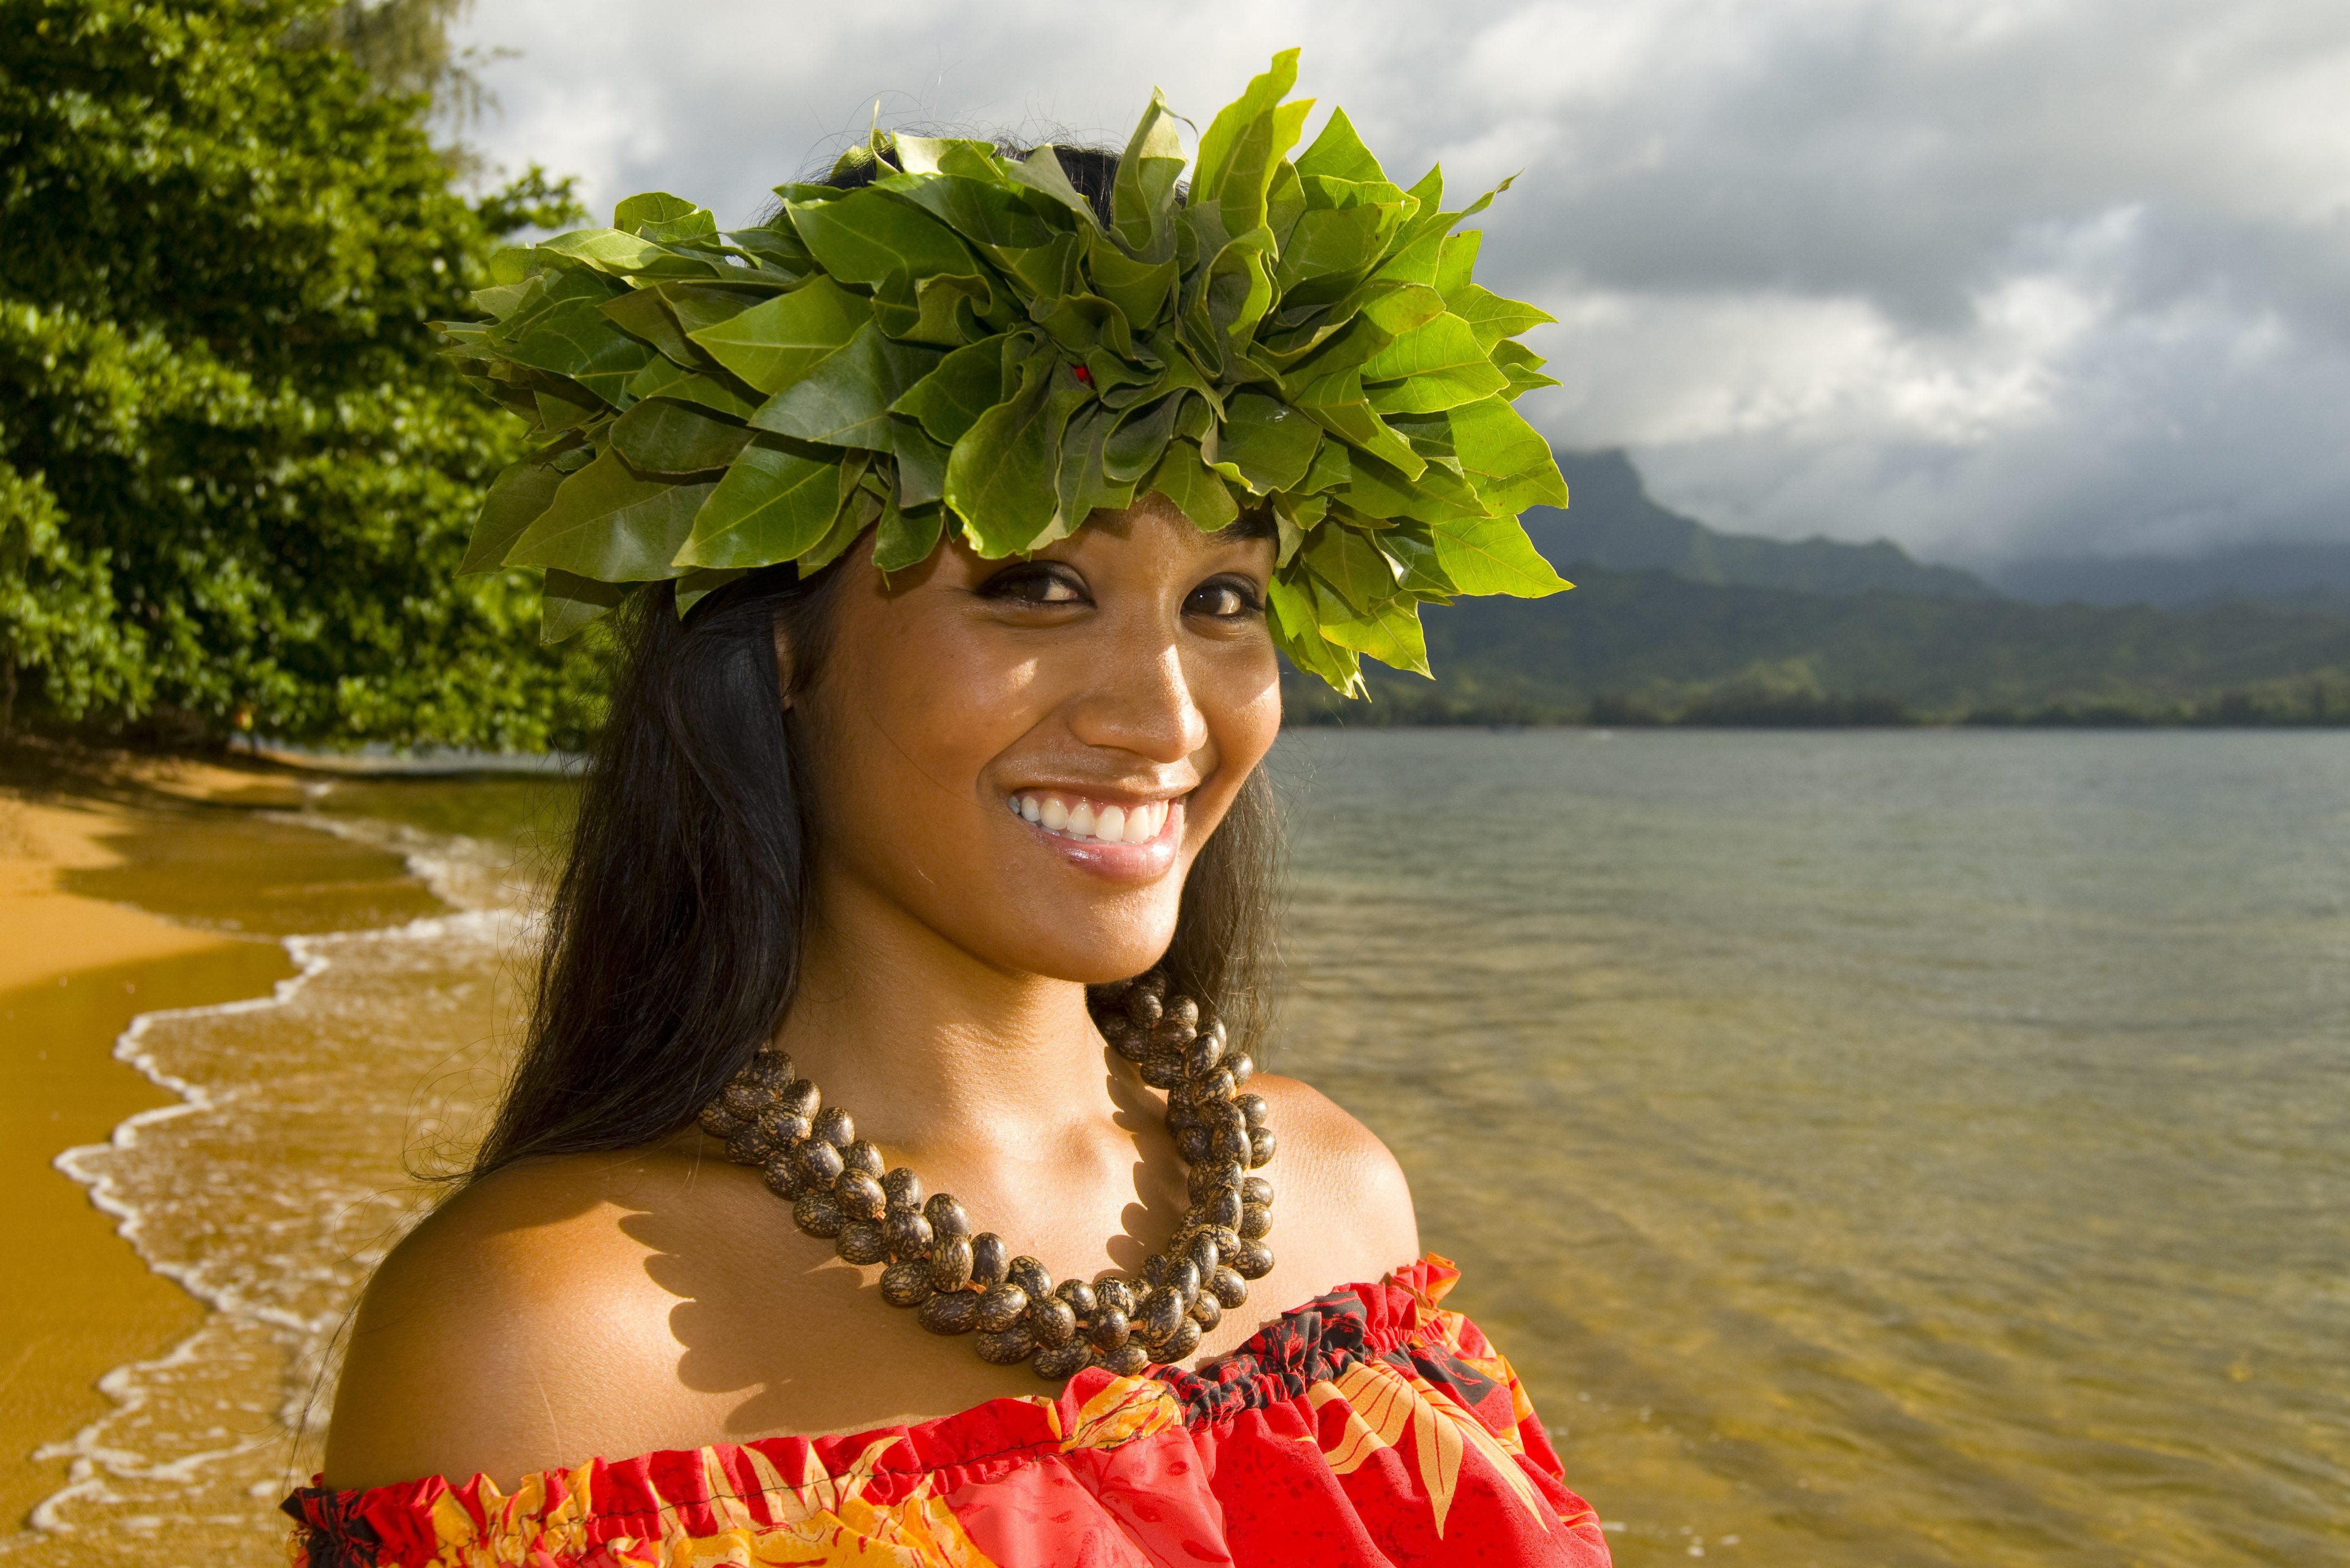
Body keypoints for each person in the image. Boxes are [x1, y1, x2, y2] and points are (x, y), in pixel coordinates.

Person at [287, 55, 1612, 1566]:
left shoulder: (1340, 1204)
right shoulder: (542, 1340)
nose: (1165, 717)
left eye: (1223, 598)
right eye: (1037, 584)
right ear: (779, 640)